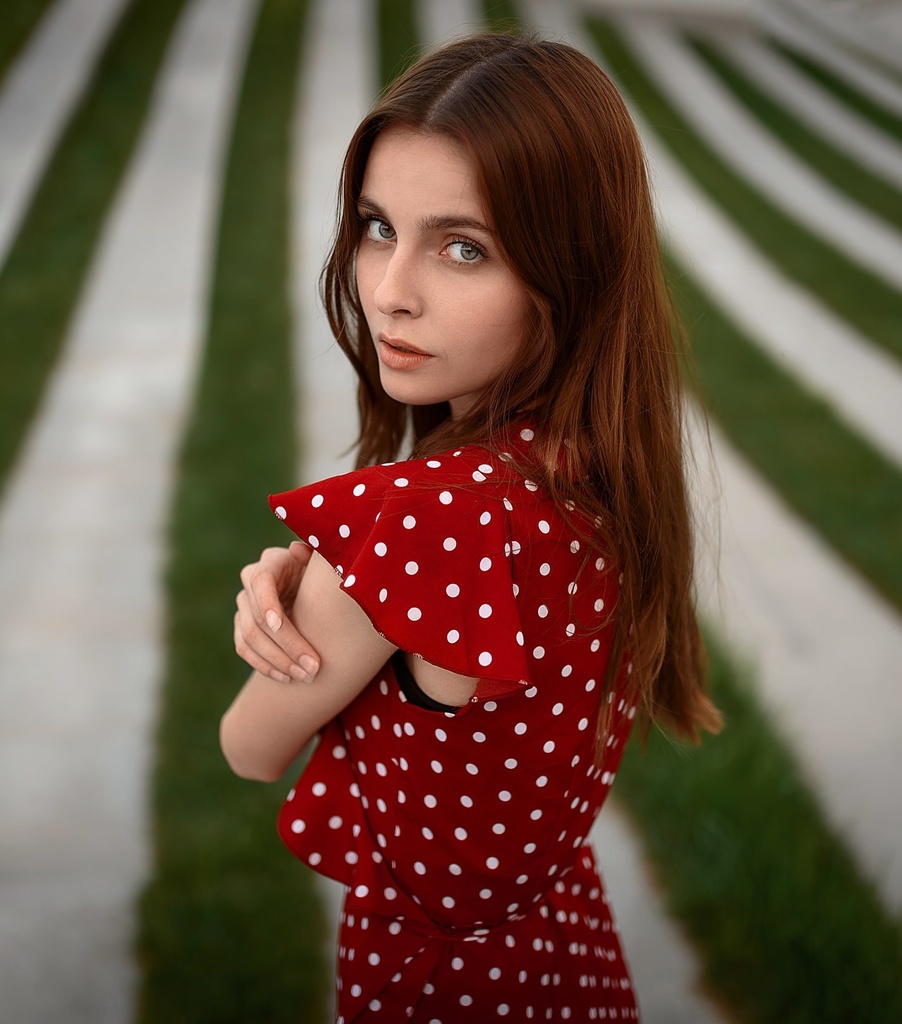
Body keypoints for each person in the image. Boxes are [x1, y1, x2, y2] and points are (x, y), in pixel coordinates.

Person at [220, 32, 722, 1022]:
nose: (389, 289)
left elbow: (247, 744)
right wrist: (327, 581)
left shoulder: (425, 517)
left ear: (564, 272)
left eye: (462, 246)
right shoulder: (594, 467)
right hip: (558, 949)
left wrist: (308, 603)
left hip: (443, 988)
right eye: (374, 226)